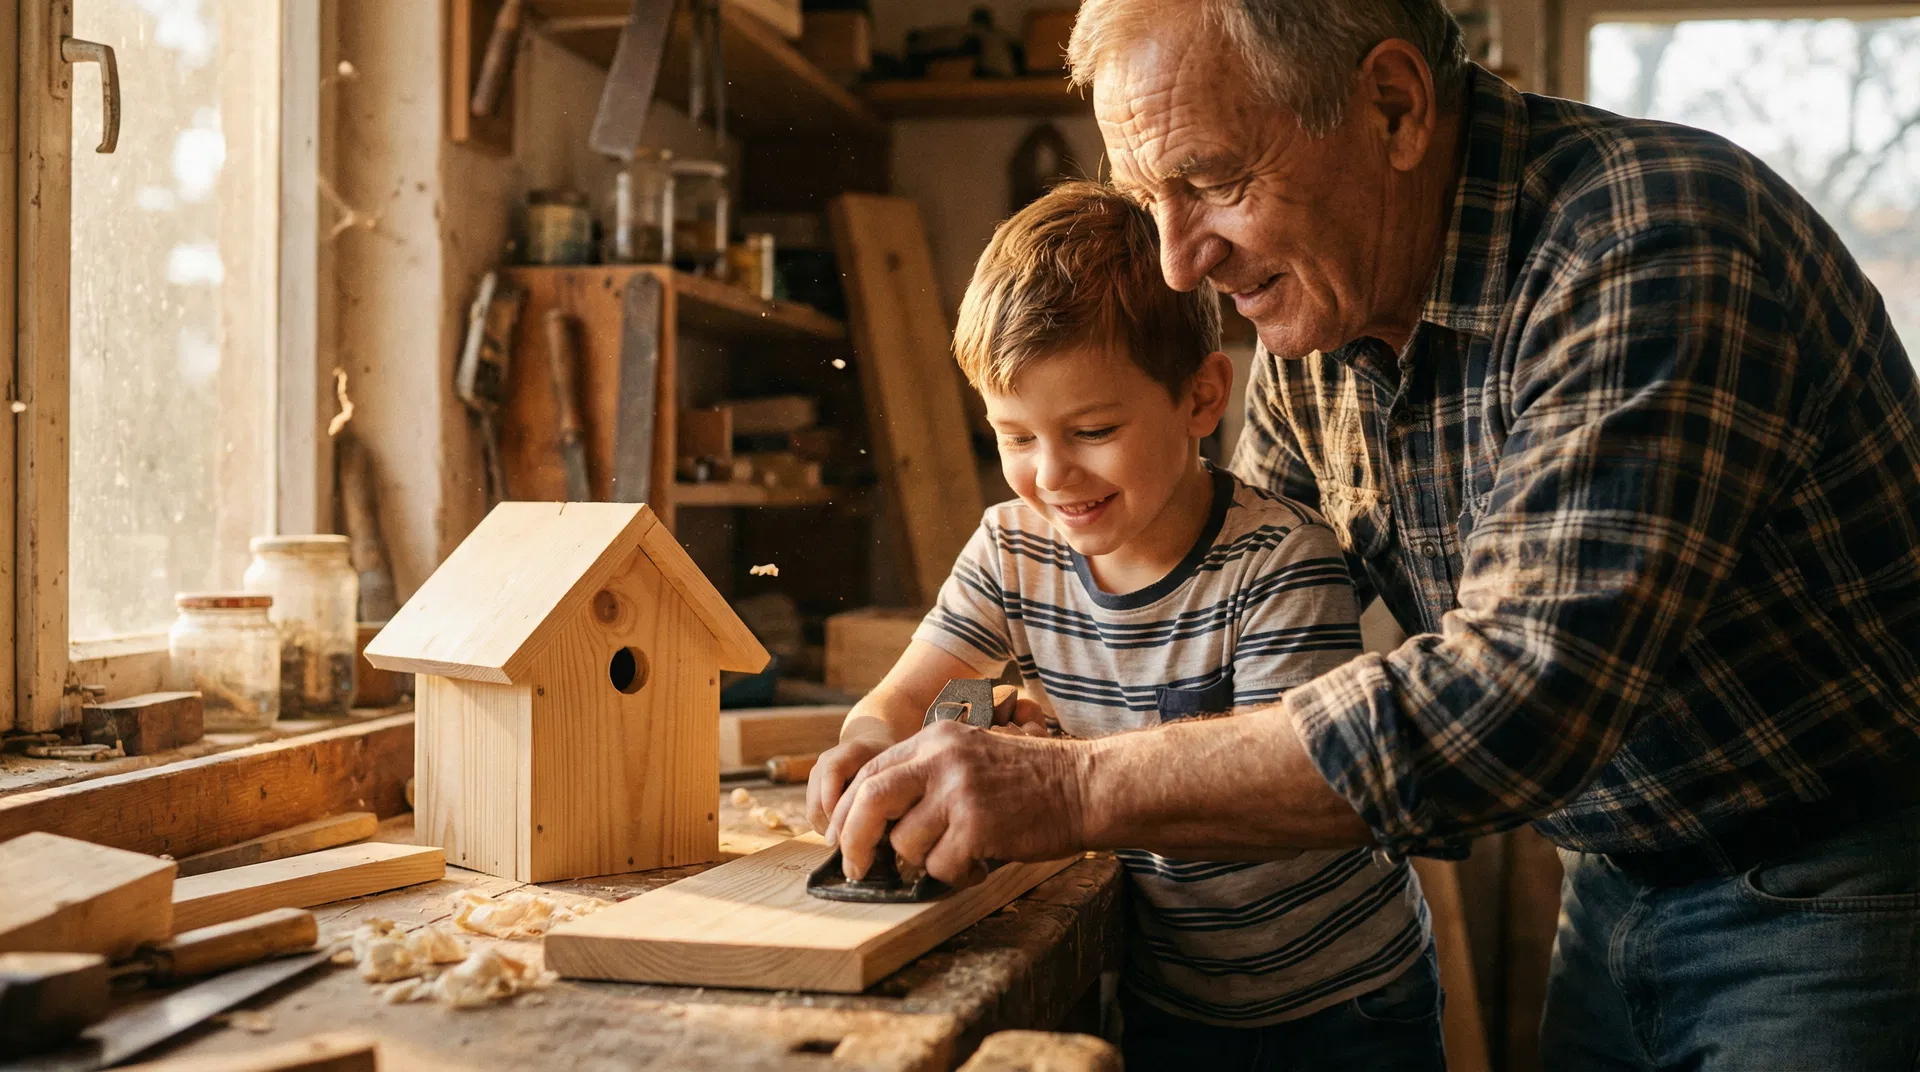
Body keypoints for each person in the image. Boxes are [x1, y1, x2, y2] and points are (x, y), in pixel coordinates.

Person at [819, 2, 1920, 1069]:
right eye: (1148, 197)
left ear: (1393, 106)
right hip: (1620, 870)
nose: (1176, 261)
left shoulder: (1646, 245)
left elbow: (1513, 701)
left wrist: (1063, 789)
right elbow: (1220, 588)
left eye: (1210, 181)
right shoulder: (1318, 317)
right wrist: (1042, 699)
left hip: (1838, 877)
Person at [807, 181, 1445, 1069]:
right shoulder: (1011, 547)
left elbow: (1287, 798)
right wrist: (869, 750)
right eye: (1015, 436)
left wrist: (1049, 779)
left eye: (1093, 429)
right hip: (1168, 988)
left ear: (1201, 398)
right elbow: (914, 694)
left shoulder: (1279, 561)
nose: (1053, 475)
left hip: (1340, 1000)